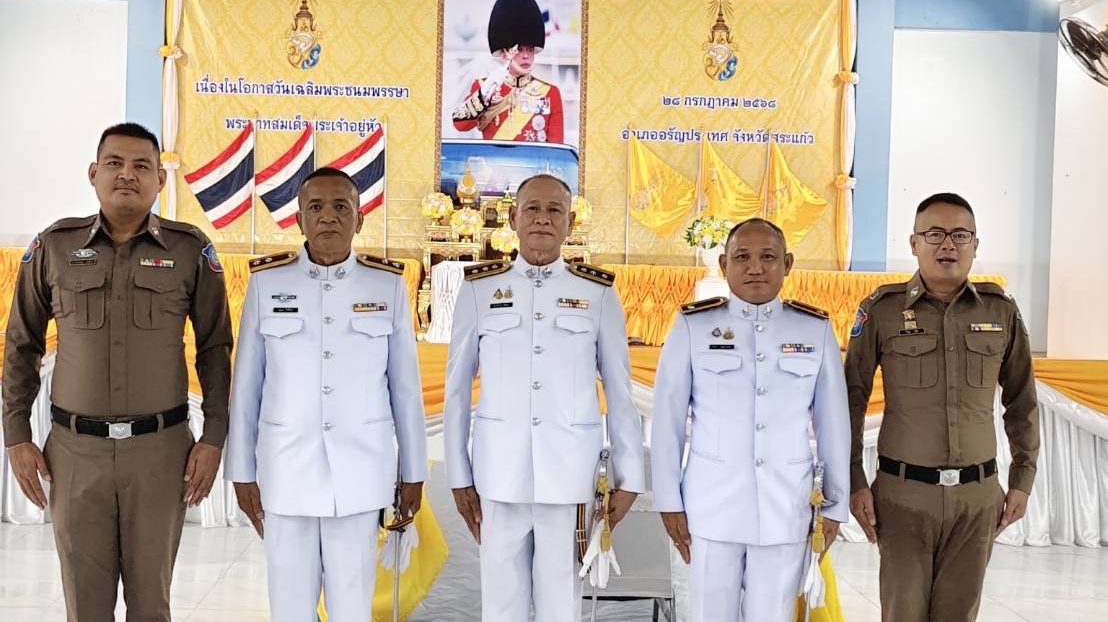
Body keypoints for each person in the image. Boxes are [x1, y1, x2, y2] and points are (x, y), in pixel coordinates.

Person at [2, 122, 232, 621]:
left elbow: (215, 348)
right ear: (93, 173)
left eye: (141, 166)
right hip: (74, 454)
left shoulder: (189, 249)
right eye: (115, 163)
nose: (127, 174)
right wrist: (16, 435)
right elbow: (22, 344)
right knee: (85, 607)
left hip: (160, 454)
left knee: (151, 606)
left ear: (160, 180)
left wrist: (214, 437)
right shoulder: (54, 246)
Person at [224, 167, 428, 621]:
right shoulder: (268, 283)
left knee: (352, 604)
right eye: (315, 207)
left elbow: (405, 389)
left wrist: (413, 471)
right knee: (289, 605)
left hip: (359, 472)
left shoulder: (386, 285)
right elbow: (247, 386)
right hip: (285, 471)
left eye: (341, 207)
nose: (328, 217)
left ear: (360, 218)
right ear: (299, 220)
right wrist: (241, 471)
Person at [444, 174, 644, 621]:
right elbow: (456, 388)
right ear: (512, 218)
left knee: (560, 606)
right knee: (500, 605)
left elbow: (619, 389)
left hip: (569, 474)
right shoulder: (479, 289)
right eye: (532, 208)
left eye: (555, 210)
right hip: (499, 473)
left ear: (570, 222)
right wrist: (459, 475)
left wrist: (630, 476)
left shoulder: (596, 292)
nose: (542, 218)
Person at [845, 192, 1039, 622]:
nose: (947, 244)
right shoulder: (882, 310)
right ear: (914, 243)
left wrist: (1022, 481)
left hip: (977, 498)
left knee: (959, 614)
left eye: (959, 235)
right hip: (903, 497)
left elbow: (1022, 401)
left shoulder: (1001, 311)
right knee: (903, 613)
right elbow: (851, 400)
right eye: (934, 234)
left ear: (975, 244)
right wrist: (854, 481)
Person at [651, 218, 850, 622]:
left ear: (787, 264)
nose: (755, 267)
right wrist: (668, 501)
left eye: (768, 257)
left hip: (786, 506)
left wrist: (835, 505)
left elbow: (833, 426)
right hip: (711, 506)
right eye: (742, 257)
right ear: (724, 265)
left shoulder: (814, 329)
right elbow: (667, 421)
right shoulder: (693, 325)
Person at [451, 0, 564, 143]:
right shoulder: (485, 87)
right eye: (519, 50)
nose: (526, 56)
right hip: (493, 159)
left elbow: (556, 149)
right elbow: (459, 125)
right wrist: (484, 94)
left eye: (530, 49)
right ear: (504, 53)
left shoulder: (550, 93)